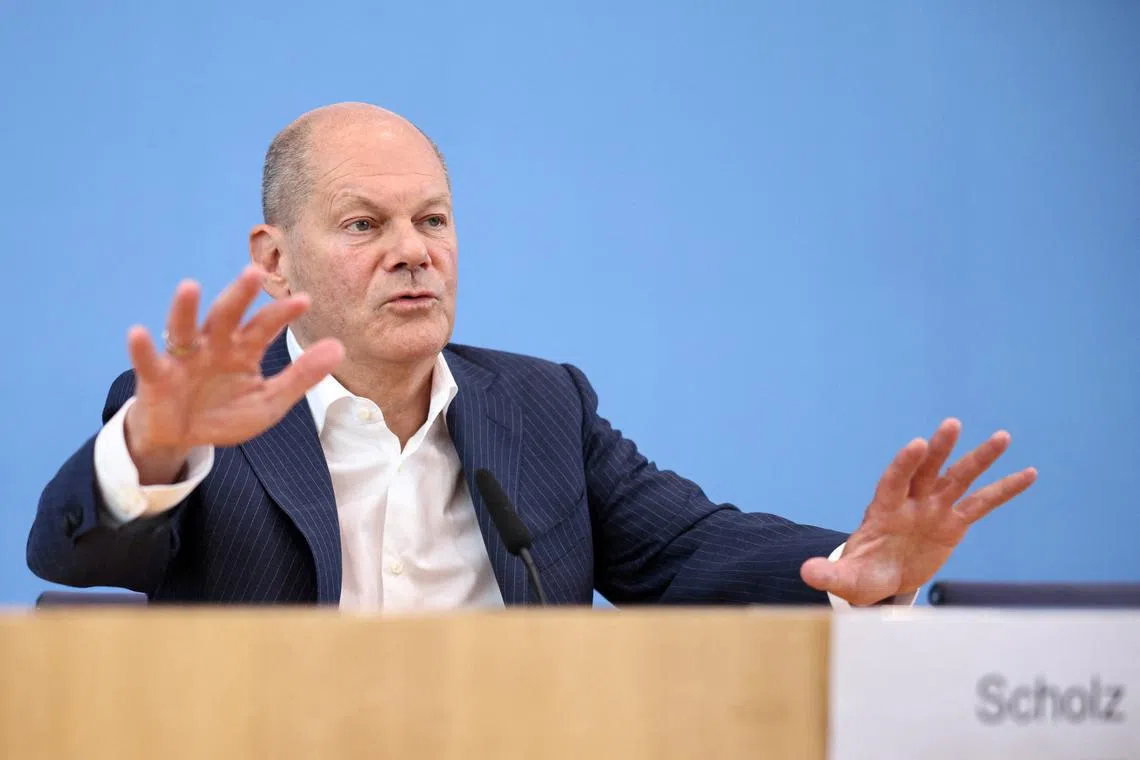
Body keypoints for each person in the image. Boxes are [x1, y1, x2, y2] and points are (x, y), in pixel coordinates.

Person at [26, 103, 1036, 609]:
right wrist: (153, 444)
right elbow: (75, 551)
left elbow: (686, 547)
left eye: (432, 218)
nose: (413, 249)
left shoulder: (542, 407)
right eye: (365, 224)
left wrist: (850, 565)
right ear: (274, 255)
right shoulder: (207, 418)